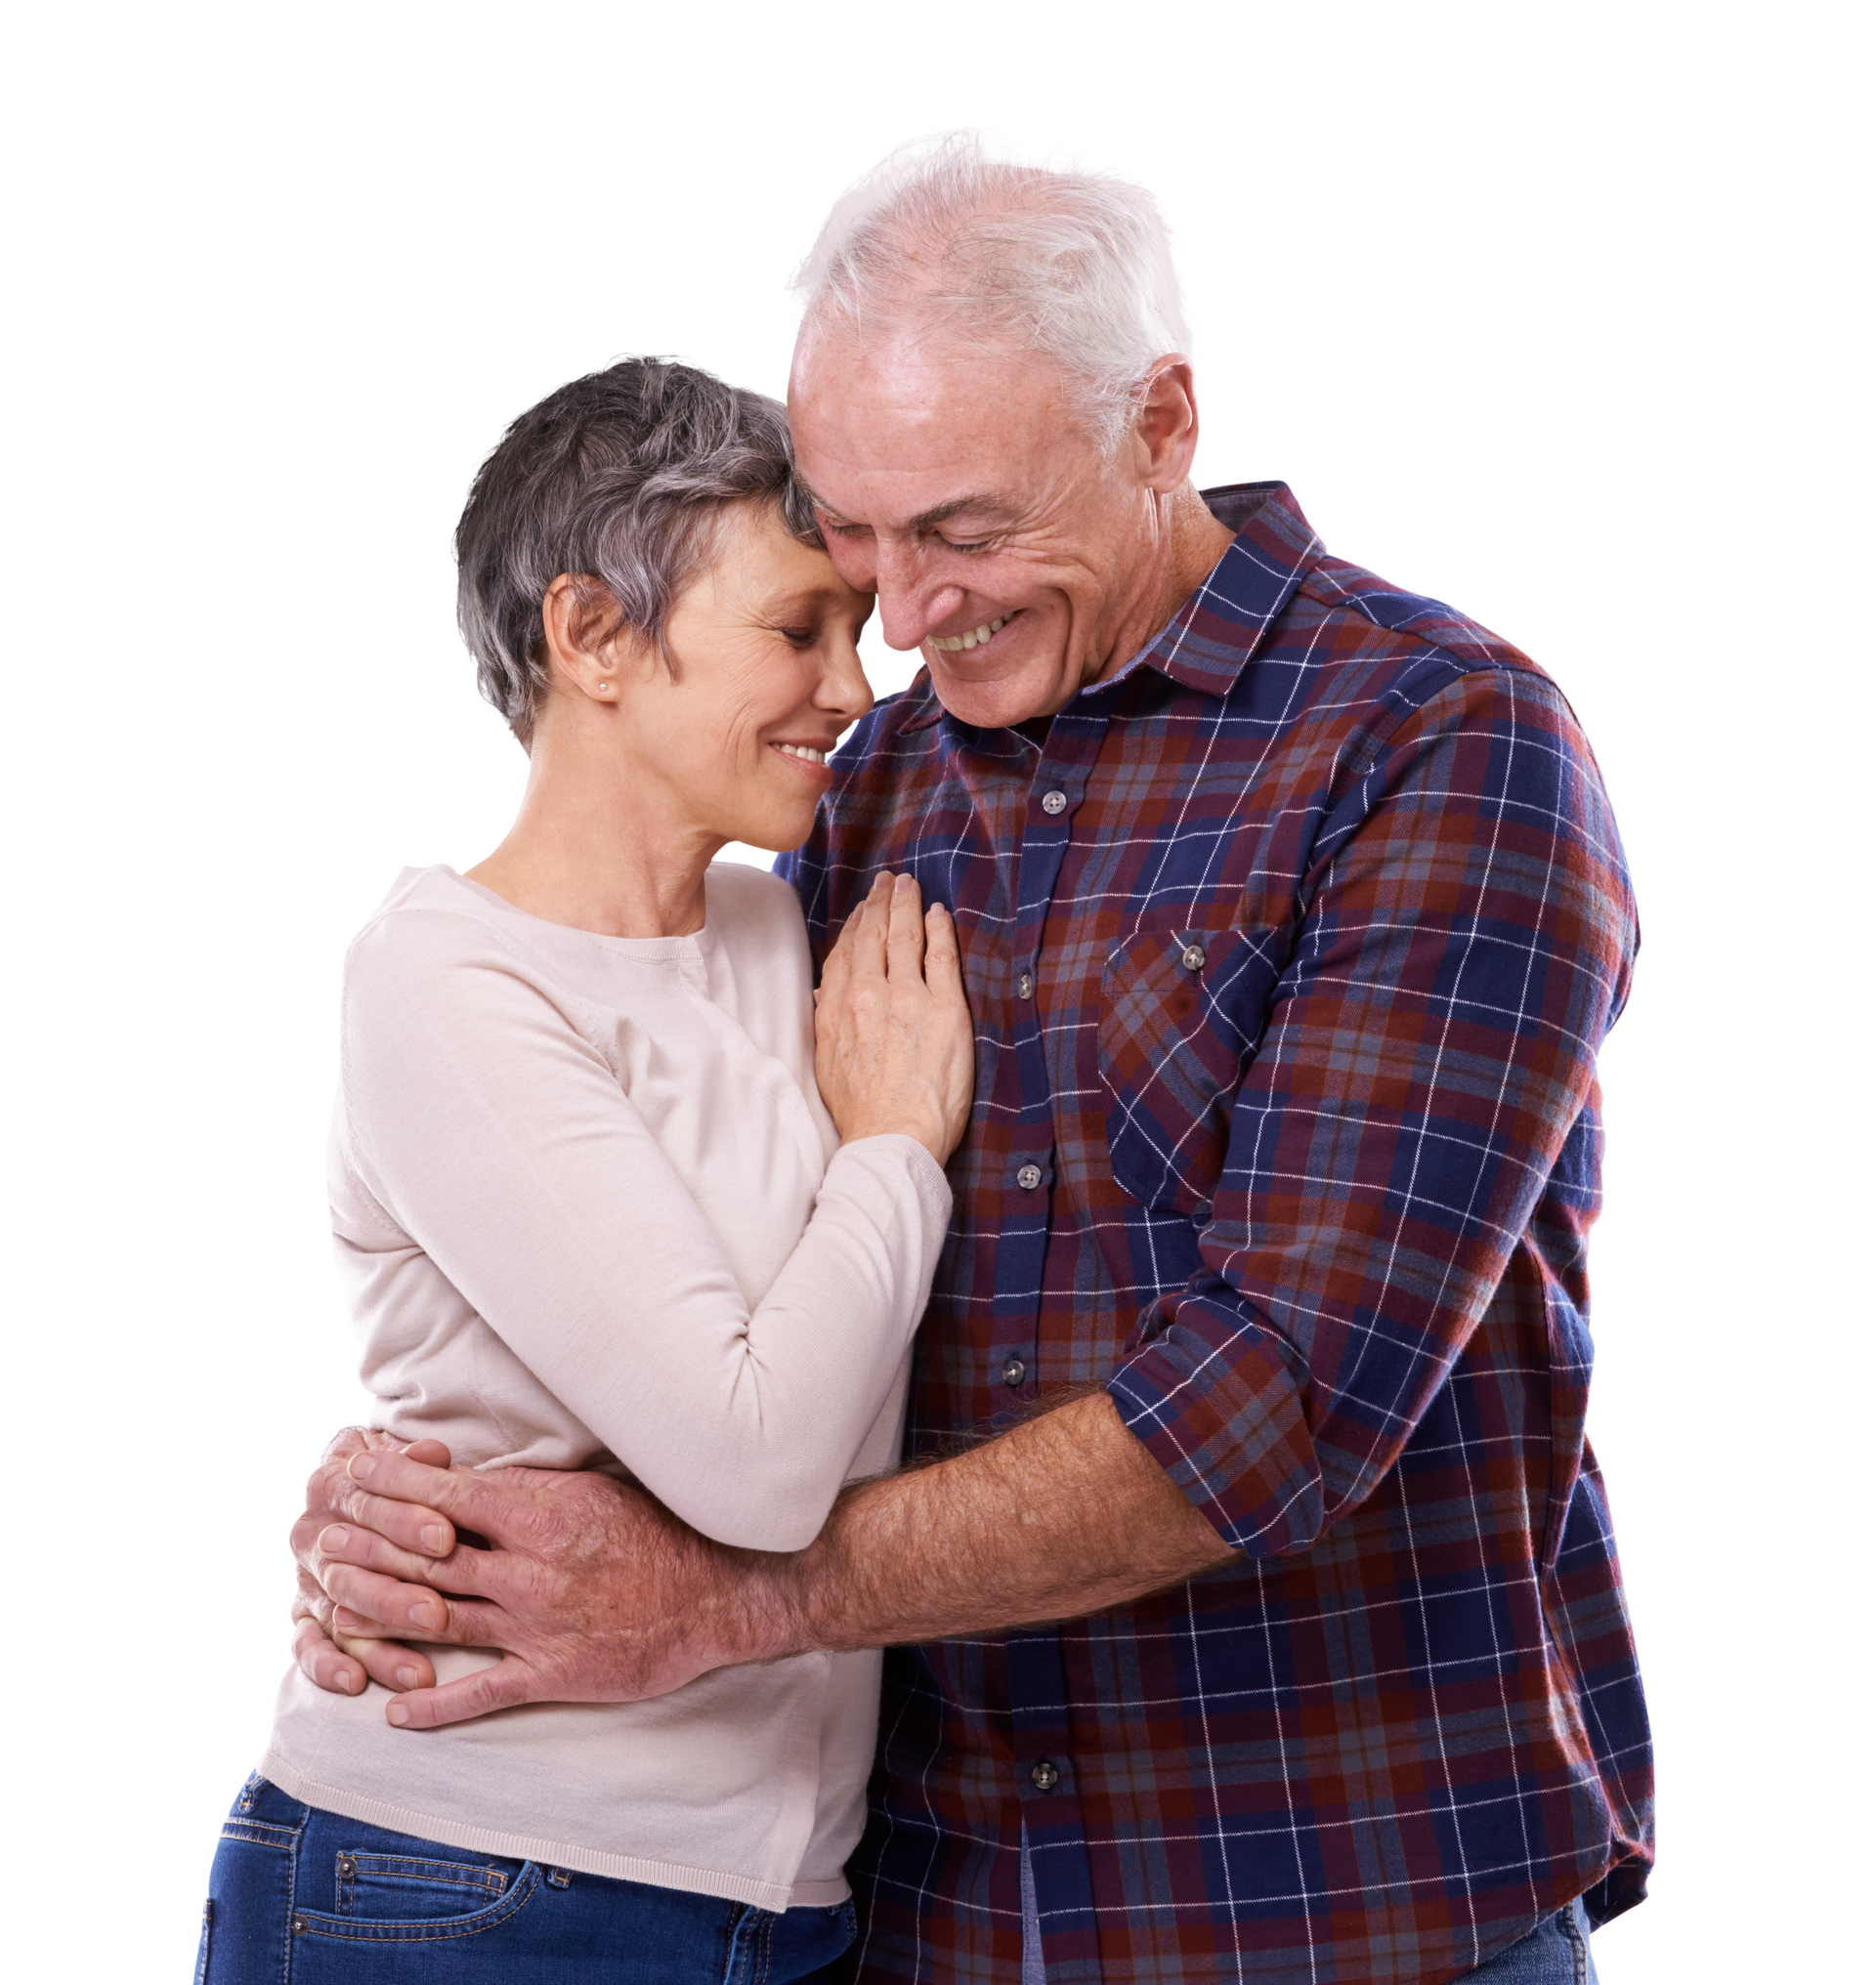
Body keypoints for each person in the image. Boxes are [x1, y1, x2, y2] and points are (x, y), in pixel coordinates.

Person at [288, 129, 1656, 1984]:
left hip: (1341, 1893)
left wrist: (709, 1602)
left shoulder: (1439, 743)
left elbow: (1288, 1398)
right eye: (852, 541)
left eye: (965, 531)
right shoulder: (855, 784)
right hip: (917, 1908)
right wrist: (431, 1487)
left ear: (1160, 418)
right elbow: (671, 1226)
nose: (907, 617)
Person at [194, 350, 977, 1983]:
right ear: (592, 634)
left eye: (854, 633)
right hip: (456, 1887)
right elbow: (756, 1463)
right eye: (795, 632)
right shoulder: (440, 980)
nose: (857, 685)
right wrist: (897, 1152)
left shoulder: (787, 924)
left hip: (788, 1908)